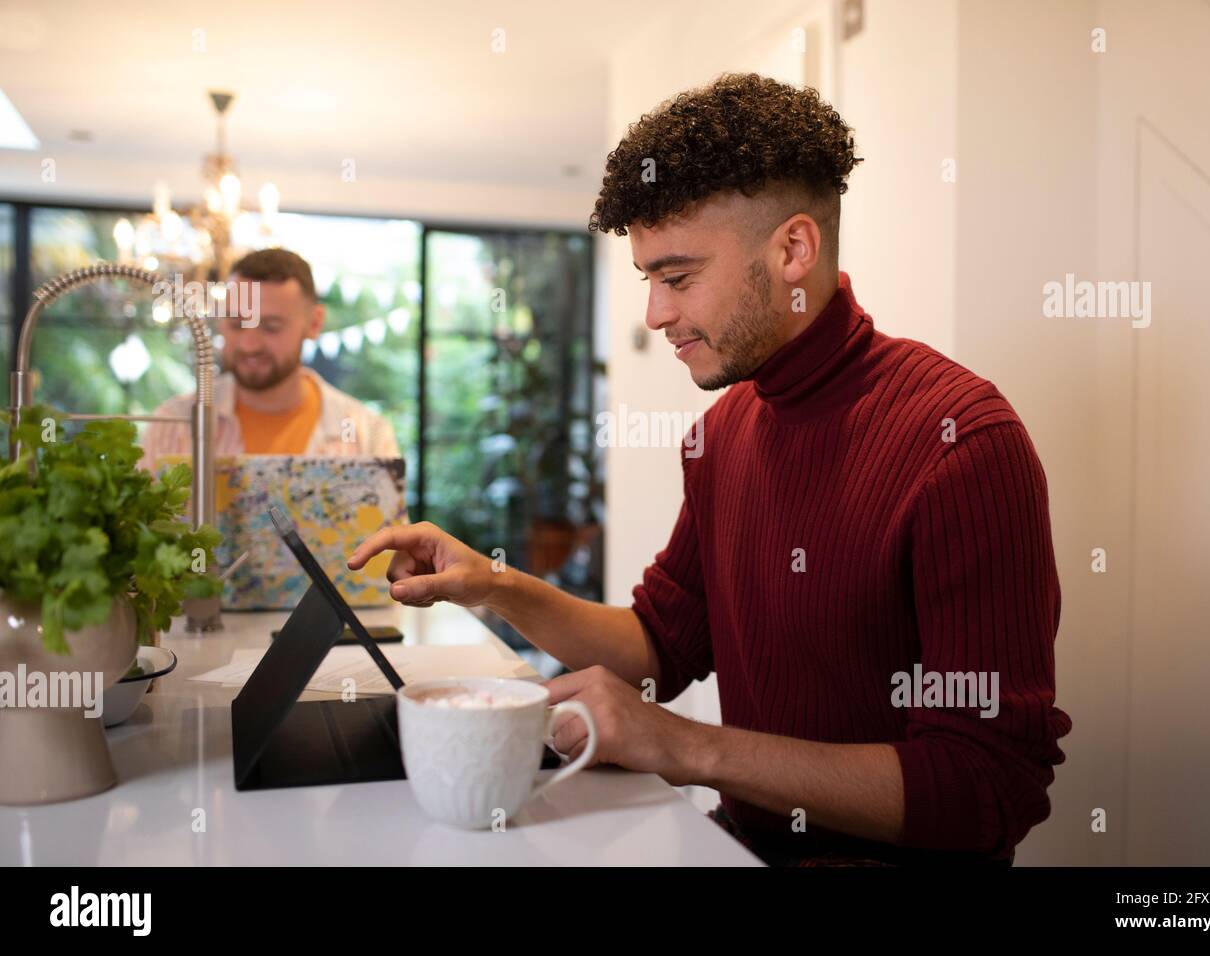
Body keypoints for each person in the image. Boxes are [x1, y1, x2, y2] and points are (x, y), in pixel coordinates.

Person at [349, 74, 1071, 866]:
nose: (655, 315)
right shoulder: (724, 433)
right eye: (648, 280)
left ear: (793, 249)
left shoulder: (960, 443)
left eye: (678, 278)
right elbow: (661, 645)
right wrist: (492, 583)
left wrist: (687, 748)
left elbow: (987, 784)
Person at [141, 248, 399, 468]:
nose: (250, 344)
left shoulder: (367, 434)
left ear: (314, 323)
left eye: (271, 326)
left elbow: (390, 528)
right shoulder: (173, 425)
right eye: (237, 323)